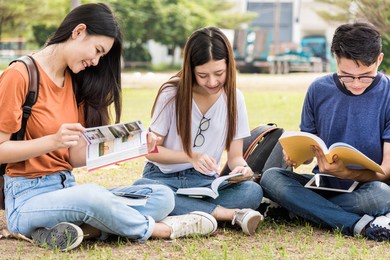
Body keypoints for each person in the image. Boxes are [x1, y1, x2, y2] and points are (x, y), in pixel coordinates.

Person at [0, 3, 217, 252]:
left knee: (161, 196)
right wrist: (53, 140)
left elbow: (71, 157)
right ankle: (163, 229)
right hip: (26, 199)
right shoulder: (20, 75)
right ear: (78, 31)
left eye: (102, 56)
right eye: (97, 50)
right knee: (92, 197)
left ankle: (65, 230)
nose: (96, 61)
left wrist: (127, 147)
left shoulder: (74, 81)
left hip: (67, 189)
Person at [260, 22, 390, 242]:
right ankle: (354, 223)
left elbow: (386, 171)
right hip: (322, 184)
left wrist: (347, 173)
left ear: (379, 59)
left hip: (367, 189)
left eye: (366, 75)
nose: (356, 84)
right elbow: (310, 148)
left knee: (383, 195)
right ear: (335, 60)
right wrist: (296, 157)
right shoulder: (318, 90)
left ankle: (298, 209)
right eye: (346, 75)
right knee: (272, 178)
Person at [133, 26, 263, 236]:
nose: (212, 82)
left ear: (229, 66)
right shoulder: (172, 93)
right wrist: (191, 156)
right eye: (203, 75)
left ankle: (185, 212)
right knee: (147, 190)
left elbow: (235, 157)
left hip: (204, 183)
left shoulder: (235, 98)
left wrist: (242, 169)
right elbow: (149, 151)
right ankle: (228, 214)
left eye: (219, 73)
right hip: (162, 178)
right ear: (191, 69)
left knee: (253, 192)